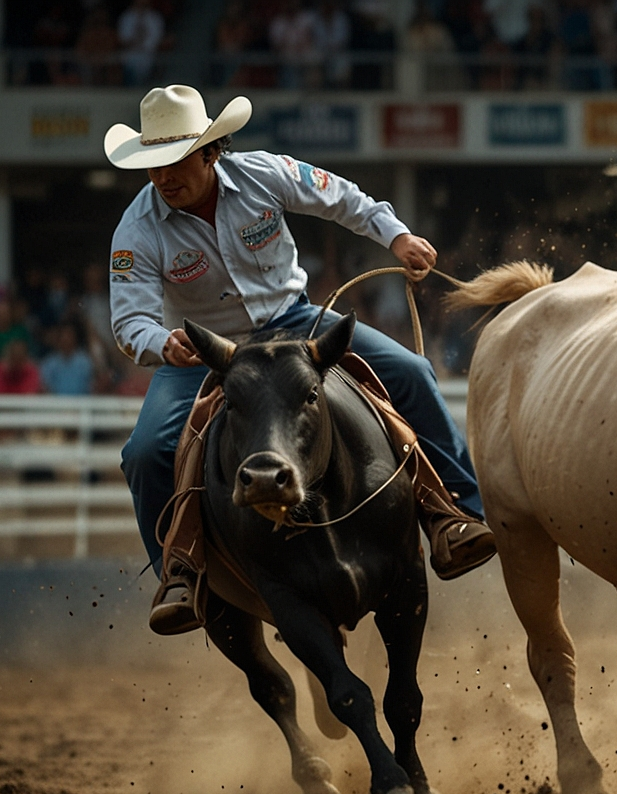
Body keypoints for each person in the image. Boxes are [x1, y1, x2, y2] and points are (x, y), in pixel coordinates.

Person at [104, 85, 493, 635]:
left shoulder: (265, 173)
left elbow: (342, 198)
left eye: (175, 161)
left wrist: (397, 236)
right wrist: (161, 343)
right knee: (144, 452)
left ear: (211, 152)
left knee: (409, 372)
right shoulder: (136, 229)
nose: (163, 177)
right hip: (205, 352)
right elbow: (129, 321)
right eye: (153, 167)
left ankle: (453, 513)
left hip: (295, 323)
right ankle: (180, 572)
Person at [40, 321, 95, 395]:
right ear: (58, 338)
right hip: (56, 404)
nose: (66, 339)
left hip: (82, 403)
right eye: (63, 335)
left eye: (69, 335)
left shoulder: (85, 362)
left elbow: (91, 387)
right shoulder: (49, 364)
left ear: (75, 338)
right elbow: (45, 388)